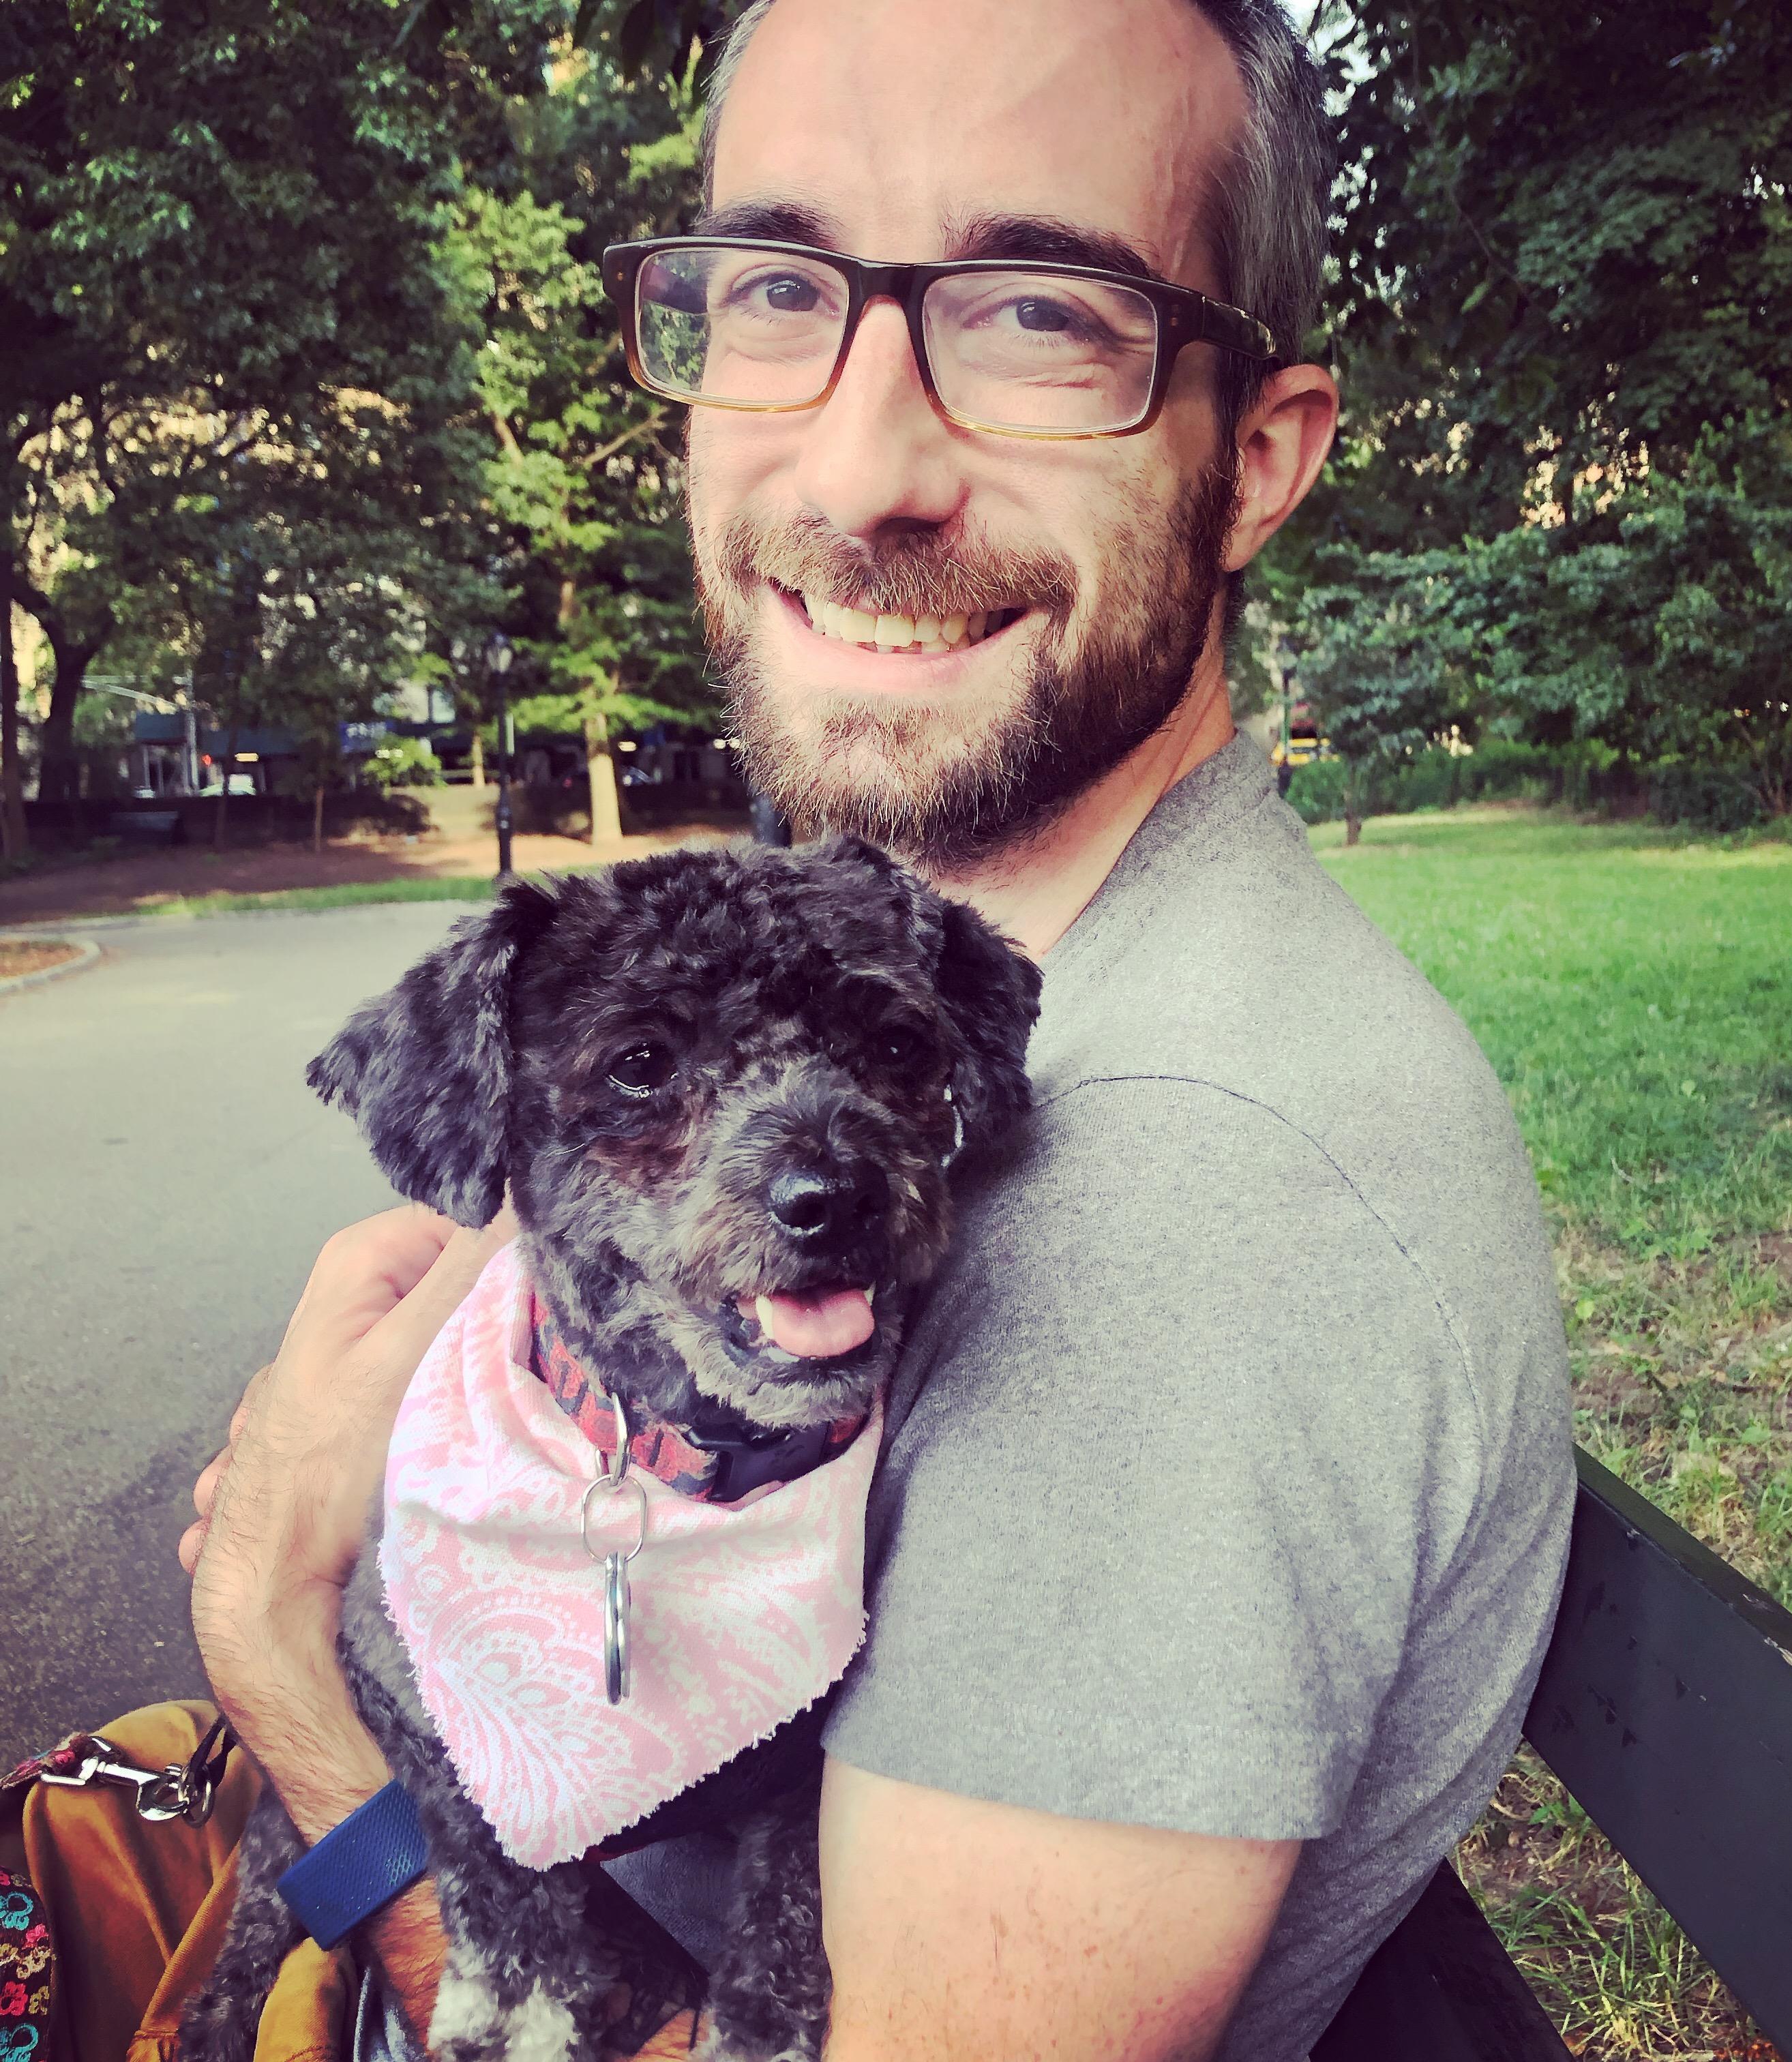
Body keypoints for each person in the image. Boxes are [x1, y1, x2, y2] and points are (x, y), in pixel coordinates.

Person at [19, 1, 1574, 2057]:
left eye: (1041, 312)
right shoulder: (1001, 975)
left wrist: (282, 1671)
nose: (861, 466)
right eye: (774, 288)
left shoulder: (1180, 1198)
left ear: (1257, 458)